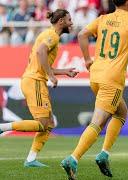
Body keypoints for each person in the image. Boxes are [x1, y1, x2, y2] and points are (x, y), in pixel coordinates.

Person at [60, 0, 128, 179]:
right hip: (111, 80)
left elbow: (82, 34)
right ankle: (73, 158)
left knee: (121, 113)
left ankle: (104, 154)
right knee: (98, 122)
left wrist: (87, 60)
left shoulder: (103, 18)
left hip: (96, 76)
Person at [0, 9, 77, 167]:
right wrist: (51, 75)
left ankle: (31, 159)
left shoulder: (49, 35)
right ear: (61, 21)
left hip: (34, 80)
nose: (72, 23)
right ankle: (2, 127)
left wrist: (63, 72)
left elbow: (42, 61)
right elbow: (41, 51)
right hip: (34, 81)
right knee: (42, 123)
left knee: (48, 124)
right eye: (69, 20)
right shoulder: (52, 36)